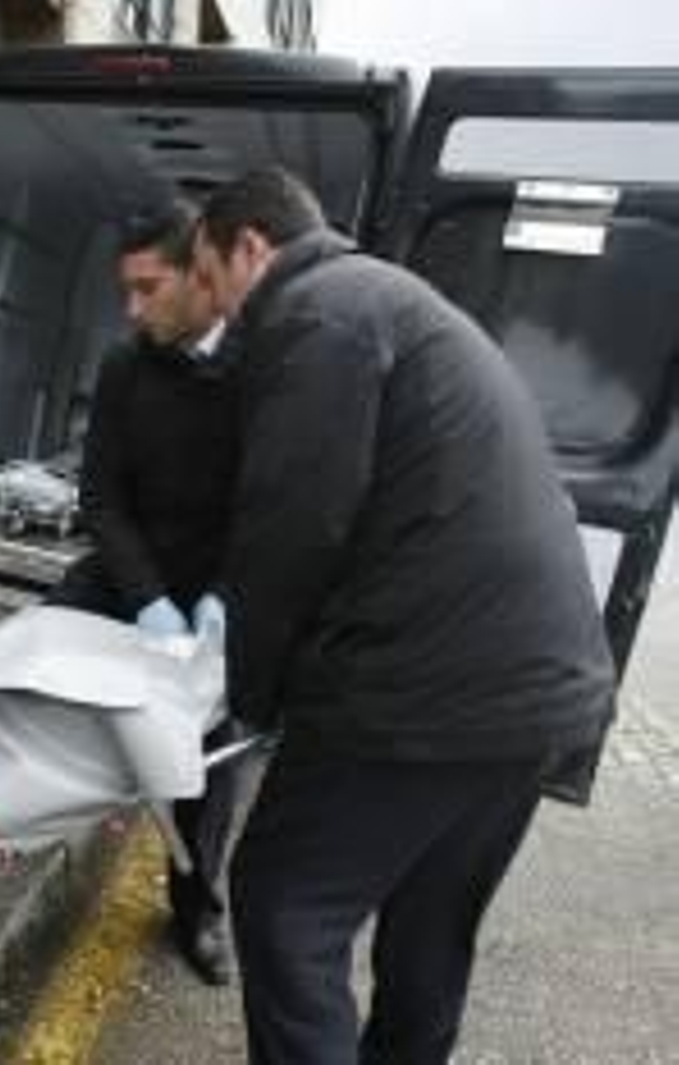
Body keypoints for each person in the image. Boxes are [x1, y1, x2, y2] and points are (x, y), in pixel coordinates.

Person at [191, 168, 616, 1064]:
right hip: (542, 695)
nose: (211, 302)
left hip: (428, 690)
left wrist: (250, 696)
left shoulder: (318, 311)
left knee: (281, 903)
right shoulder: (395, 301)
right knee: (427, 932)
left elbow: (294, 527)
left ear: (251, 247)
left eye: (208, 274)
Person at [48, 195, 247, 986]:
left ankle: (197, 908)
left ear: (201, 279)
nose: (131, 309)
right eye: (123, 290)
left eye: (147, 287)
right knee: (21, 664)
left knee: (203, 768)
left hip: (220, 589)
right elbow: (101, 498)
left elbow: (277, 505)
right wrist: (147, 601)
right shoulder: (125, 363)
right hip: (130, 573)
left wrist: (226, 596)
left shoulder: (260, 370)